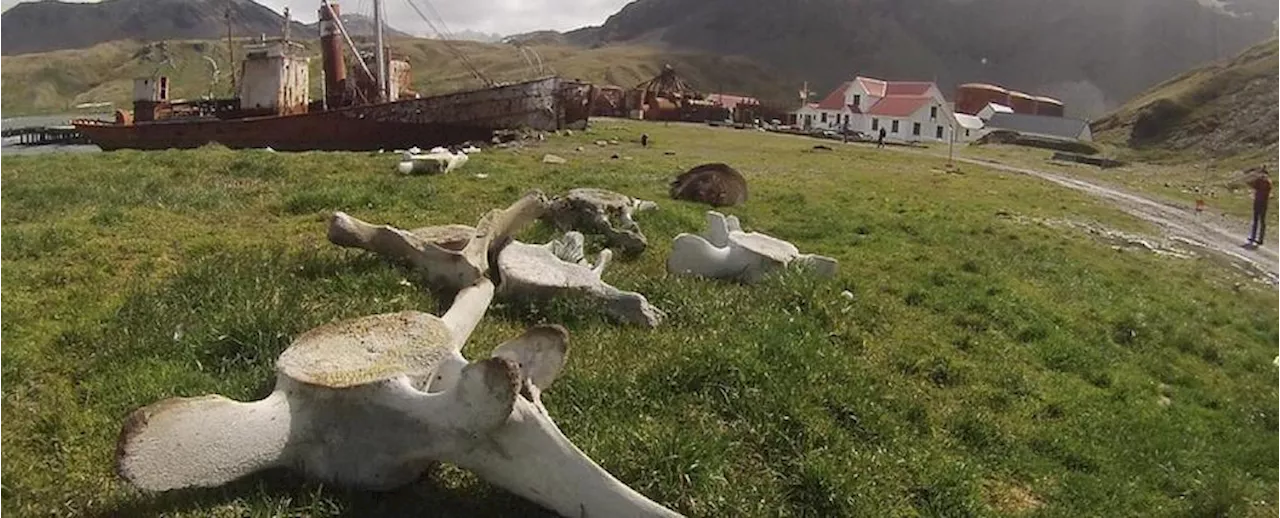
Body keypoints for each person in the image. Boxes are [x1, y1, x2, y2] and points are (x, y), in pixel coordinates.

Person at [1247, 165, 1271, 248]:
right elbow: (1250, 183)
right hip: (1257, 202)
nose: (1263, 176)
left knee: (1262, 221)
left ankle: (1260, 239)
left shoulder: (1267, 183)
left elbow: (1266, 191)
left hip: (1263, 203)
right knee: (1255, 220)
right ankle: (1253, 237)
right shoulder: (1259, 181)